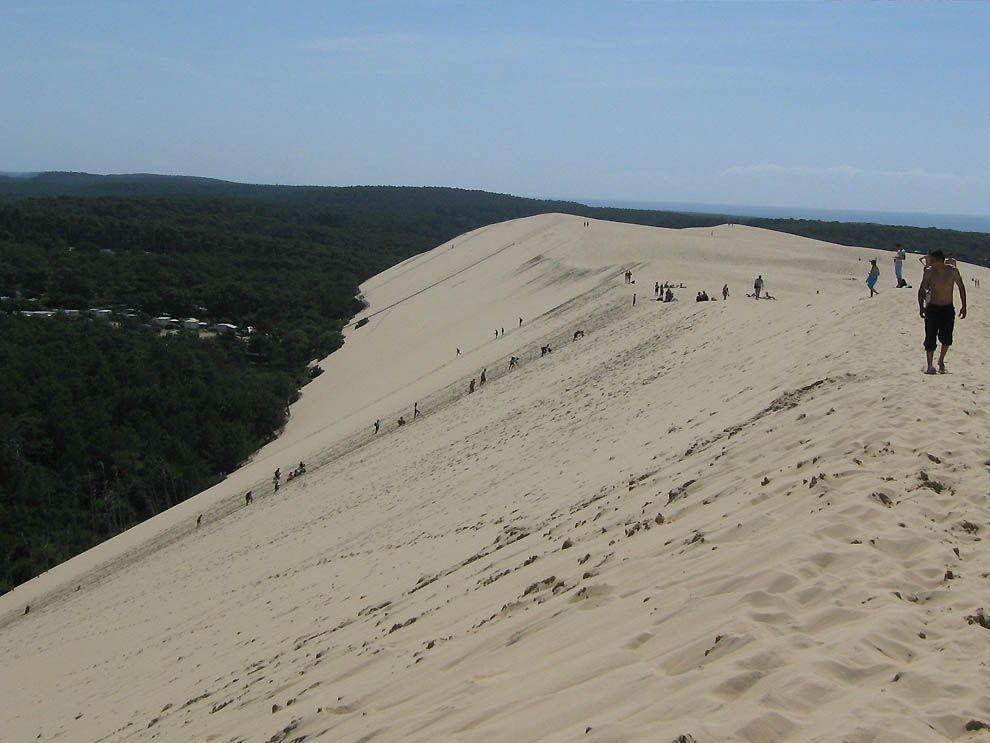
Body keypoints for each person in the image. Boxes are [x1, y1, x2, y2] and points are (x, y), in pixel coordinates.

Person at [918, 250, 966, 374]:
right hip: (933, 307)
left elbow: (961, 287)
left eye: (932, 261)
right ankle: (929, 365)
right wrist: (921, 307)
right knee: (930, 336)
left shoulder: (952, 271)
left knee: (947, 338)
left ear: (939, 261)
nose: (930, 263)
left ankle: (941, 361)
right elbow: (921, 290)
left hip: (947, 308)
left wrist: (964, 306)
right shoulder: (929, 272)